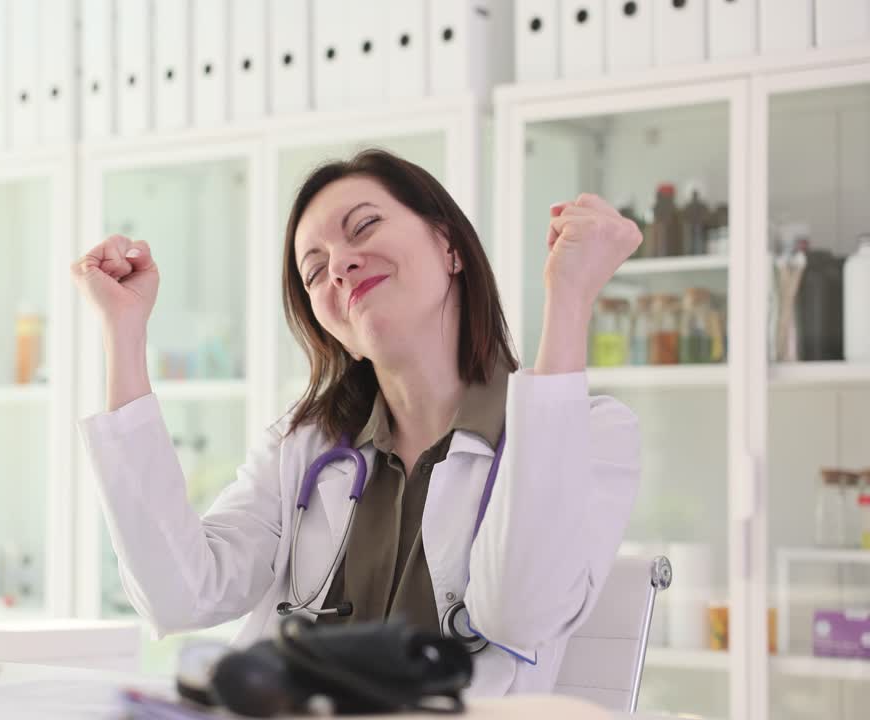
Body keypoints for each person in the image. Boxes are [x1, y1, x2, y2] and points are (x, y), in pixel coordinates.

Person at [70, 149, 642, 696]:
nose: (340, 265)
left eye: (364, 227)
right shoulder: (305, 448)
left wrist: (569, 297)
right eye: (314, 270)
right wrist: (125, 333)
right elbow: (179, 595)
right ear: (334, 330)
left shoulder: (592, 435)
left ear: (450, 247)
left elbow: (520, 615)